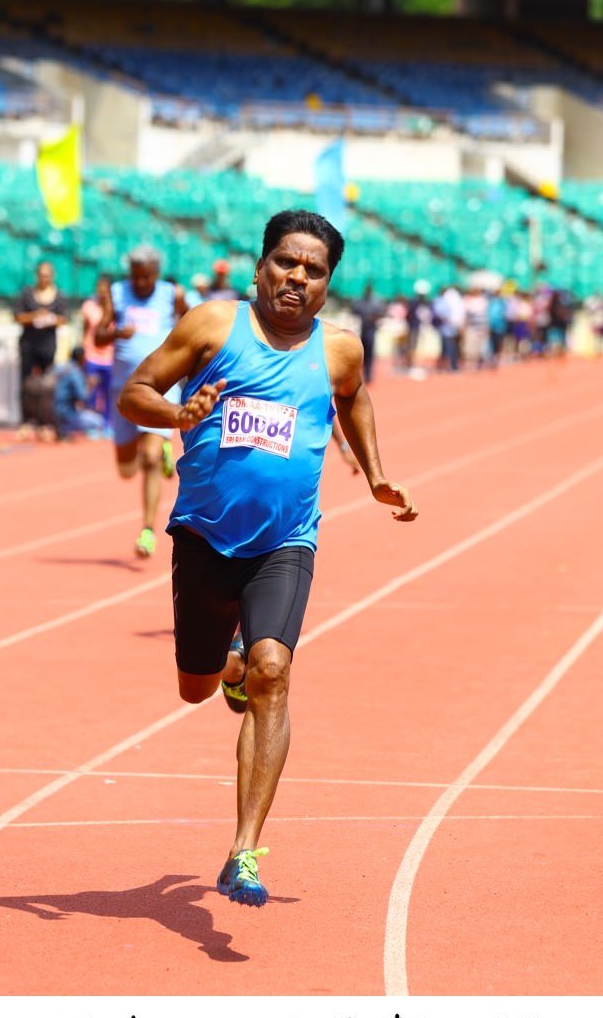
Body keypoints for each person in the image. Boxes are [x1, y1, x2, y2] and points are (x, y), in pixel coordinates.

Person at [117, 209, 418, 907]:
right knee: (196, 686)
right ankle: (224, 667)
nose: (297, 278)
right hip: (202, 537)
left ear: (326, 284)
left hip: (286, 540)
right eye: (286, 262)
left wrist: (375, 474)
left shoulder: (339, 349)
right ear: (259, 267)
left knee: (274, 672)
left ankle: (243, 850)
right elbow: (136, 391)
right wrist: (178, 415)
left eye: (313, 270)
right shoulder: (211, 327)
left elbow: (355, 399)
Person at [95, 246, 188, 558]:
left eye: (147, 277)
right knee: (125, 469)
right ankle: (157, 448)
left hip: (160, 386)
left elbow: (192, 324)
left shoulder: (171, 294)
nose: (141, 283)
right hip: (123, 389)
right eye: (136, 277)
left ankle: (147, 530)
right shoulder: (117, 293)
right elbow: (97, 337)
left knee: (148, 460)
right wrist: (116, 333)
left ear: (157, 274)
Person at [15, 260, 69, 432]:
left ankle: (46, 421)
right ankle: (27, 421)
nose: (44, 278)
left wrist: (50, 318)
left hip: (47, 346)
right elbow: (18, 317)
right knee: (26, 384)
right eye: (41, 275)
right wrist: (35, 316)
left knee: (48, 386)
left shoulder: (59, 295)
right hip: (28, 345)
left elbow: (63, 319)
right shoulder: (27, 294)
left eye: (47, 275)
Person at [80, 274, 114, 435]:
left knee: (108, 392)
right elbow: (85, 329)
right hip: (92, 356)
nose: (102, 291)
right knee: (91, 392)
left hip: (110, 358)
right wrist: (84, 350)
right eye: (99, 287)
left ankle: (108, 424)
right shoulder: (89, 306)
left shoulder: (116, 309)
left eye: (105, 288)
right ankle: (92, 425)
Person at [54, 346, 102, 440]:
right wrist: (91, 385)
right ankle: (65, 429)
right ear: (81, 358)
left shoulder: (60, 367)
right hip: (66, 413)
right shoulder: (75, 372)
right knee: (98, 421)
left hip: (51, 411)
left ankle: (62, 427)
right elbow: (83, 396)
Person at [350, 283, 385, 383]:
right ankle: (362, 374)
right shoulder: (360, 302)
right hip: (361, 330)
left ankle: (368, 374)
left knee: (369, 354)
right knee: (361, 354)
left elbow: (381, 313)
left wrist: (375, 318)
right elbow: (354, 311)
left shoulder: (376, 303)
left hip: (371, 330)